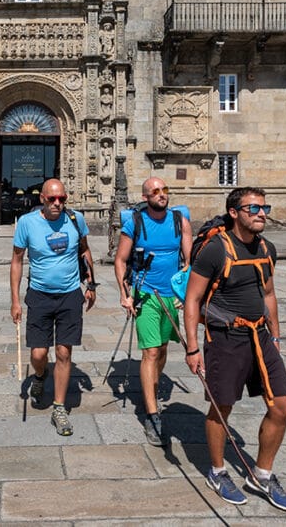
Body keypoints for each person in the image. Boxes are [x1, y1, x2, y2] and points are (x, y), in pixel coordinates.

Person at [183, 187, 286, 512]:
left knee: (282, 408)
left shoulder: (266, 248)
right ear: (234, 212)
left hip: (260, 336)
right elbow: (192, 299)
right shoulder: (216, 250)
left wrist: (275, 335)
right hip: (225, 337)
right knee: (222, 408)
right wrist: (193, 348)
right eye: (253, 208)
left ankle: (261, 474)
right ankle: (217, 471)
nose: (262, 214)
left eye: (264, 207)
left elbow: (269, 292)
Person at [10, 178, 96, 437]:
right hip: (39, 295)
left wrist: (91, 284)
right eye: (52, 199)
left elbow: (85, 251)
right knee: (38, 354)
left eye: (62, 199)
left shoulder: (75, 219)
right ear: (42, 199)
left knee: (63, 353)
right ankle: (39, 376)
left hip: (70, 295)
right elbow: (16, 260)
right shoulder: (27, 223)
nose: (57, 203)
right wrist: (15, 300)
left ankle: (59, 407)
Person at [114, 178, 192, 446]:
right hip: (145, 294)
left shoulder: (179, 221)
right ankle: (151, 414)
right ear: (145, 196)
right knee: (151, 351)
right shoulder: (134, 223)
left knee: (162, 350)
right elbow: (121, 260)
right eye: (156, 191)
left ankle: (152, 389)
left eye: (165, 190)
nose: (162, 195)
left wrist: (187, 295)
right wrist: (125, 295)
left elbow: (189, 264)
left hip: (171, 295)